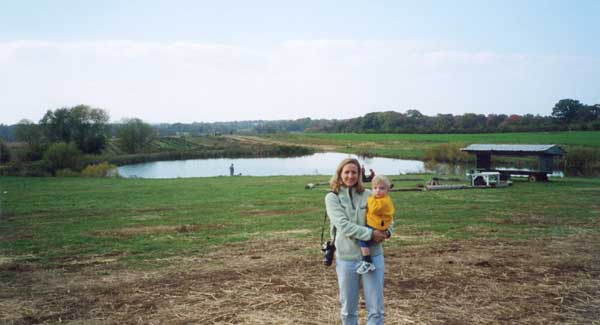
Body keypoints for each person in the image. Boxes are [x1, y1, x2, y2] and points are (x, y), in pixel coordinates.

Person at [325, 158, 391, 325]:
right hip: (346, 259)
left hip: (374, 256)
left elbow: (388, 216)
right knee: (348, 311)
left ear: (359, 174)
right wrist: (370, 234)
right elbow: (344, 226)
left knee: (376, 310)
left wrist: (387, 232)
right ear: (339, 174)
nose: (350, 176)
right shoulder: (332, 198)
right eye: (346, 172)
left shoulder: (370, 194)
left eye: (354, 172)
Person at [356, 175, 394, 275]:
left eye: (381, 188)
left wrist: (370, 199)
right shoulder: (381, 198)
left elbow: (373, 209)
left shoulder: (382, 201)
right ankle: (367, 261)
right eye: (375, 188)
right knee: (366, 239)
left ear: (387, 190)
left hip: (376, 225)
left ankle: (367, 260)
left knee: (362, 239)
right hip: (378, 223)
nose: (377, 191)